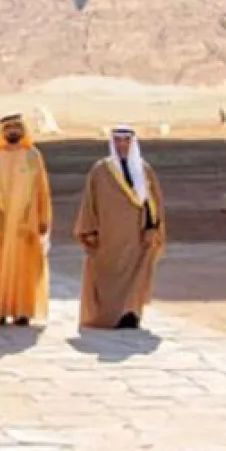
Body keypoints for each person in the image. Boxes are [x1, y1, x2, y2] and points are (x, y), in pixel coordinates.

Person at [74, 125, 167, 330]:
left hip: (137, 236)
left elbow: (153, 202)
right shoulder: (101, 171)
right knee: (108, 280)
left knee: (137, 275)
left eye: (126, 141)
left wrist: (153, 227)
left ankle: (130, 313)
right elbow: (89, 203)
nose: (122, 145)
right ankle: (108, 316)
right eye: (118, 140)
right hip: (109, 237)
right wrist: (89, 230)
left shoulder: (144, 170)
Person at [0, 113, 52, 327]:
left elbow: (42, 191)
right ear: (2, 132)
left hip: (27, 224)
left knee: (24, 268)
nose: (13, 132)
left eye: (16, 128)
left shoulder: (33, 156)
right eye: (8, 129)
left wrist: (44, 218)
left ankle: (22, 311)